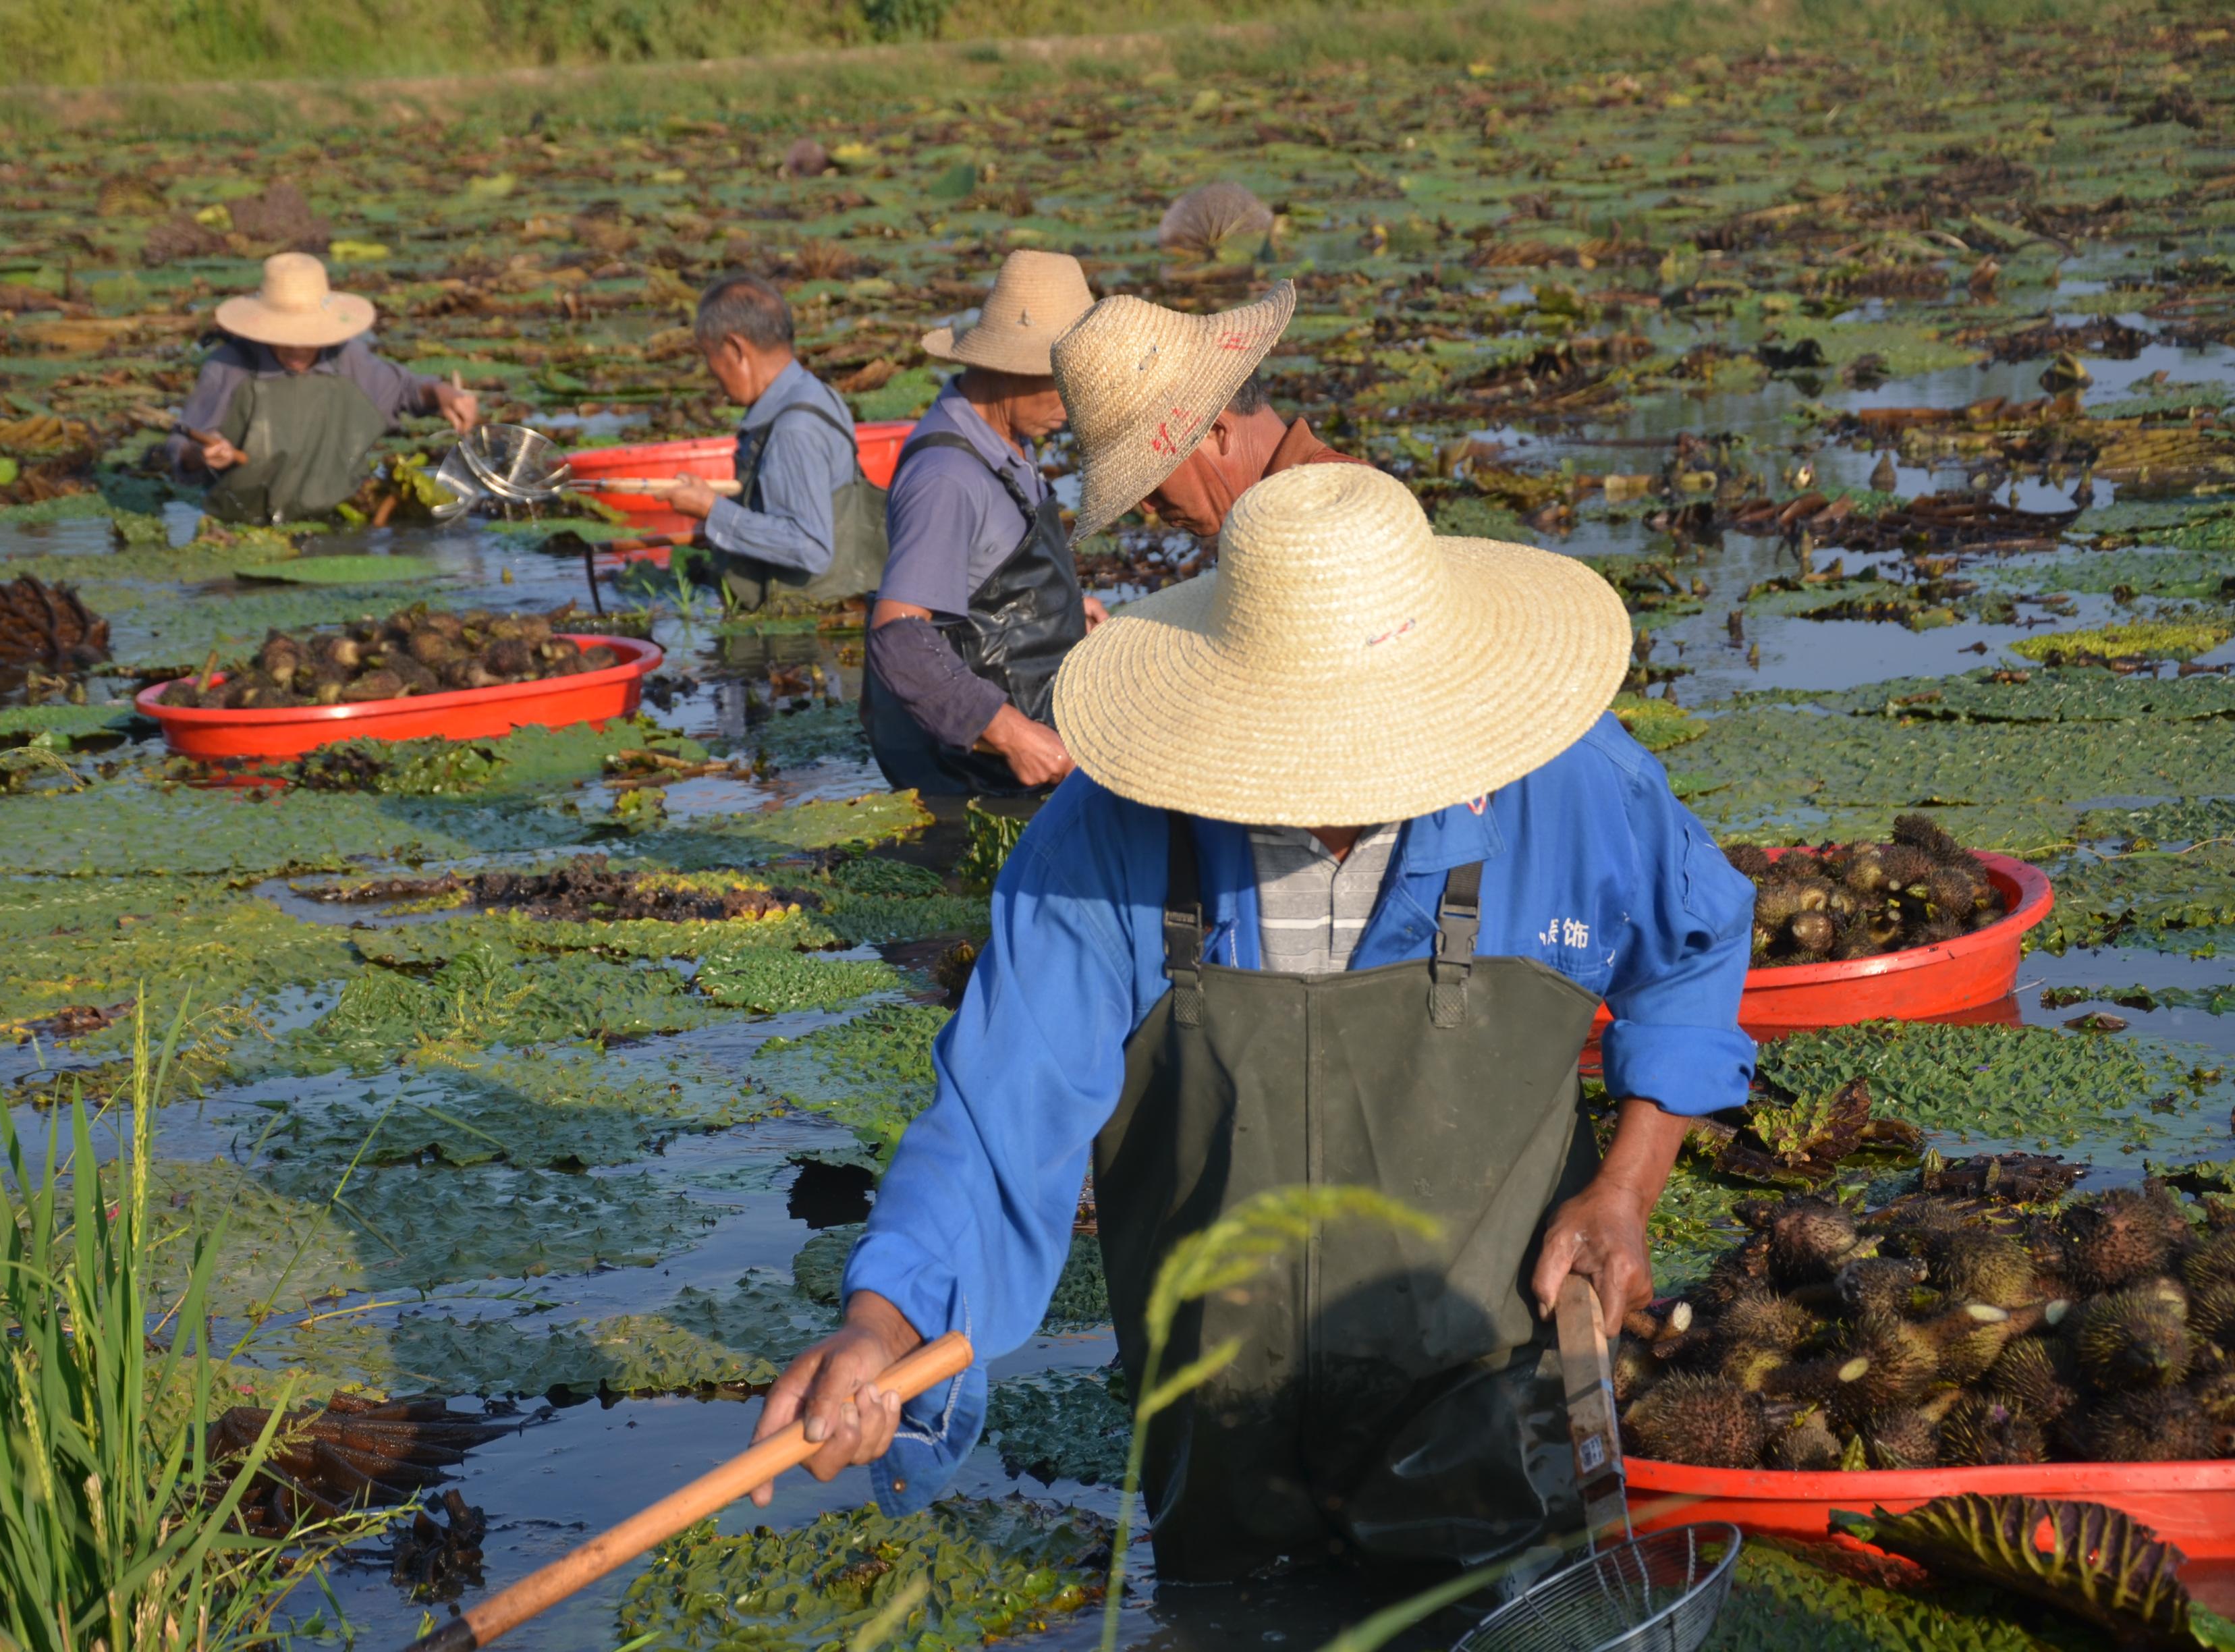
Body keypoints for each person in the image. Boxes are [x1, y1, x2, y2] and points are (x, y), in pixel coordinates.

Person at [748, 464, 1758, 1582]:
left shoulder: (1569, 785)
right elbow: (999, 1115)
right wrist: (884, 1327)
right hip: (1215, 1434)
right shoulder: (1113, 832)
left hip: (1494, 1415)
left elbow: (1696, 945)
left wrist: (1624, 1186)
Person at [859, 250, 1099, 797]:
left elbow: (983, 580)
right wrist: (1014, 736)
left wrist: (1059, 615)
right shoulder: (947, 477)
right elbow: (899, 636)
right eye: (1064, 381)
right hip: (971, 779)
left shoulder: (1002, 439)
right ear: (1007, 368)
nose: (1077, 401)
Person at [167, 252, 476, 524]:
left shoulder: (349, 360)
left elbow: (408, 390)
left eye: (308, 335)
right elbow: (181, 449)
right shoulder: (229, 367)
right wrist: (202, 454)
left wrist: (442, 395)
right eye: (285, 335)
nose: (298, 346)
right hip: (243, 531)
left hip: (340, 524)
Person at [1052, 277, 1361, 549]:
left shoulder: (1336, 523)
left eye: (1151, 477)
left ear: (1215, 431)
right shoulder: (1273, 526)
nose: (1147, 506)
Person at [663, 273, 889, 613]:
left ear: (737, 348)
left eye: (710, 355)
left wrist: (712, 510)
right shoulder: (817, 393)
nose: (711, 371)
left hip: (808, 625)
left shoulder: (792, 430)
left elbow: (808, 545)